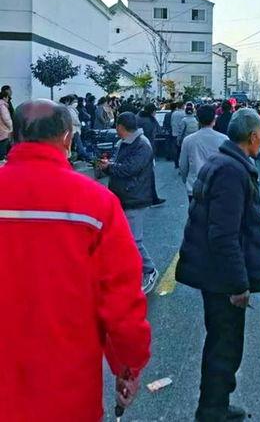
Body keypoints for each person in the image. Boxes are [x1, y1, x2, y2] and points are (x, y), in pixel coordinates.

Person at [0, 100, 151, 421]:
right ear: (67, 138)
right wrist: (128, 366)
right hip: (67, 384)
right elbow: (122, 302)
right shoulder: (96, 204)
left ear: (14, 136)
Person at [176, 108, 260, 422]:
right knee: (225, 346)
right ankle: (212, 410)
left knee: (222, 342)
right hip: (221, 278)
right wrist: (239, 284)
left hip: (213, 272)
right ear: (253, 136)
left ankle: (216, 404)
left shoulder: (224, 161)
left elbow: (225, 220)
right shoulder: (231, 170)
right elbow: (223, 235)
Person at [99, 112, 159, 293]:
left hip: (135, 197)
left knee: (134, 240)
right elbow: (121, 165)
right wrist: (109, 164)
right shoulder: (124, 142)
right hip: (123, 196)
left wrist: (109, 166)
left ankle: (149, 270)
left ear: (120, 126)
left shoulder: (142, 144)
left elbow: (130, 169)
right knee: (121, 238)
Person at [179, 104, 228, 202]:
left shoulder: (188, 140)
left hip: (194, 186)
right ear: (214, 119)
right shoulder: (224, 139)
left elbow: (183, 165)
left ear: (198, 119)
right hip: (217, 186)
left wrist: (185, 179)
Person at [136, 103, 166, 206]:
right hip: (147, 148)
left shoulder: (138, 117)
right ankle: (153, 198)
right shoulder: (150, 121)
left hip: (136, 148)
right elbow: (157, 131)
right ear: (152, 111)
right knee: (149, 175)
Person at [62, 95, 91, 161]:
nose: (76, 103)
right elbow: (74, 120)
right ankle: (82, 155)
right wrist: (79, 123)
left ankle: (75, 156)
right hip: (74, 130)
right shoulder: (69, 109)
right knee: (78, 143)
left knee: (74, 144)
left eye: (76, 101)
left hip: (74, 129)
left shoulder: (72, 109)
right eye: (74, 101)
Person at [171, 101, 186, 168]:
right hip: (182, 134)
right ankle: (182, 163)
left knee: (176, 150)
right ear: (182, 106)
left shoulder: (174, 113)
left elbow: (171, 122)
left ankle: (176, 163)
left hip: (175, 133)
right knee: (182, 150)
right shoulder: (184, 113)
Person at [0, 90, 13, 160]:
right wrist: (11, 127)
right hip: (3, 130)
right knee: (2, 149)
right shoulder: (2, 105)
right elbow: (6, 118)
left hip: (1, 129)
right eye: (8, 97)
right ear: (4, 97)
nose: (8, 99)